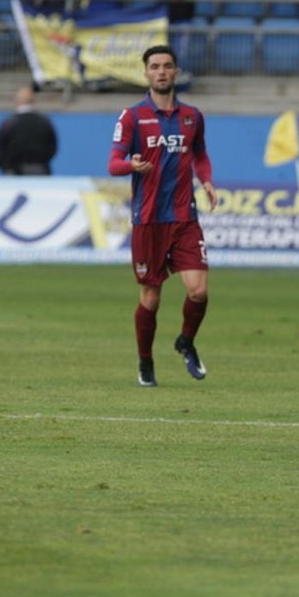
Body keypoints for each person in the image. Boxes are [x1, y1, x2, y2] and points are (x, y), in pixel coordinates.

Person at [107, 45, 216, 386]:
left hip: (185, 218)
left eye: (167, 66)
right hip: (148, 220)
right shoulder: (132, 117)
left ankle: (186, 341)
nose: (161, 72)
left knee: (198, 292)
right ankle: (145, 361)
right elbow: (113, 164)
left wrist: (207, 181)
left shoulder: (192, 117)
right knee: (151, 298)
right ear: (146, 73)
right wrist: (131, 165)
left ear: (176, 72)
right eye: (155, 66)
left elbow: (200, 155)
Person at [0, 87, 58, 175]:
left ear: (16, 101)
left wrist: (6, 168)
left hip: (14, 172)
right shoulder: (44, 122)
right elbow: (52, 146)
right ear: (33, 101)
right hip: (39, 171)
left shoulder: (9, 123)